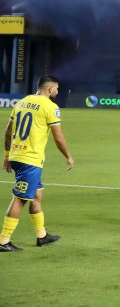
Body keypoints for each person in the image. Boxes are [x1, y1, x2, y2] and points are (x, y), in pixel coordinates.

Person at [1, 75, 73, 252]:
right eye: (57, 88)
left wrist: (7, 156)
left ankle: (42, 235)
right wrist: (68, 156)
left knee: (37, 194)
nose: (57, 91)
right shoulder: (50, 106)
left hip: (17, 156)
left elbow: (8, 132)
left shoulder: (21, 102)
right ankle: (3, 240)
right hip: (30, 160)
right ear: (50, 89)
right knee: (20, 199)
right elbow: (58, 137)